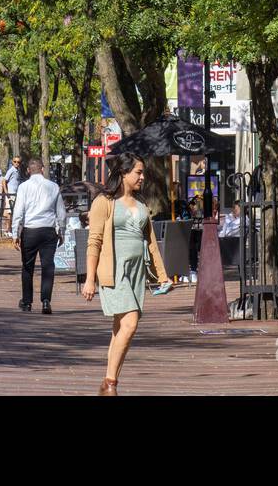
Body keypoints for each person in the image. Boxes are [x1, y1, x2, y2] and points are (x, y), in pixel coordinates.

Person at [82, 153, 172, 395]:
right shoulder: (104, 201)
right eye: (138, 172)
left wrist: (162, 275)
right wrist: (90, 279)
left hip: (136, 273)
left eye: (143, 172)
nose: (143, 177)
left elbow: (151, 243)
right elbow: (94, 241)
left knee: (120, 329)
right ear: (123, 173)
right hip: (114, 271)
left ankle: (106, 383)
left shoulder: (142, 205)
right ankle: (111, 383)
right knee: (130, 324)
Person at [10, 157, 66, 314]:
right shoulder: (53, 186)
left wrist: (16, 233)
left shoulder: (23, 187)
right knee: (48, 266)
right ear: (42, 169)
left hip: (30, 230)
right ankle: (46, 301)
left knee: (28, 267)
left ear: (28, 171)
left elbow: (18, 211)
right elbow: (61, 212)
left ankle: (27, 302)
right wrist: (62, 230)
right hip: (48, 230)